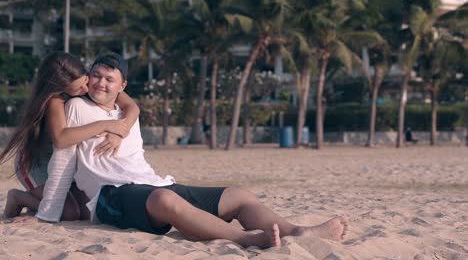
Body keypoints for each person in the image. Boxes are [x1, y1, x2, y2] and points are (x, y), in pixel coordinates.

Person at [14, 53, 348, 249]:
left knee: (239, 195)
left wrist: (124, 119)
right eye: (95, 77)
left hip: (153, 183)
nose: (99, 83)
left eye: (108, 79)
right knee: (165, 202)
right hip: (109, 196)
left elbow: (129, 106)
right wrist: (48, 213)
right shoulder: (71, 106)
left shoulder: (127, 110)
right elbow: (62, 156)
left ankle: (297, 233)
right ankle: (246, 240)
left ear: (122, 86)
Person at [1, 51, 140, 220]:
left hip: (68, 162)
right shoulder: (55, 100)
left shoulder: (94, 79)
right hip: (36, 160)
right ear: (61, 90)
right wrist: (104, 125)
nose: (86, 89)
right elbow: (61, 139)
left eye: (85, 82)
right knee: (69, 213)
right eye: (78, 89)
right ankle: (18, 198)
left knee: (85, 211)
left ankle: (35, 203)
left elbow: (132, 108)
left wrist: (120, 133)